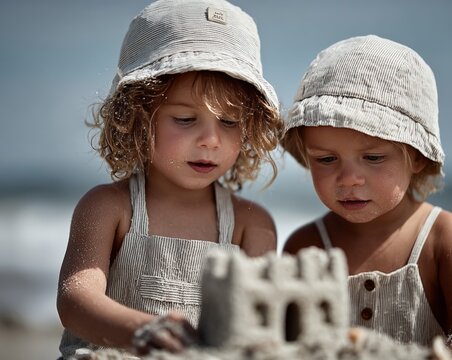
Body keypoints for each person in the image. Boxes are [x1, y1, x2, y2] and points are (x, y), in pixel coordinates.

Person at [56, 0, 283, 358]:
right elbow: (75, 301)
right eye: (185, 119)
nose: (211, 140)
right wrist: (141, 331)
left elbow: (261, 324)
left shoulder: (251, 225)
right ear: (138, 117)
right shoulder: (109, 207)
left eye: (229, 122)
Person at [281, 35, 452, 358]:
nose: (349, 179)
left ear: (418, 156)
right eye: (326, 159)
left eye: (373, 158)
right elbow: (283, 340)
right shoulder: (305, 246)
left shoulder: (443, 238)